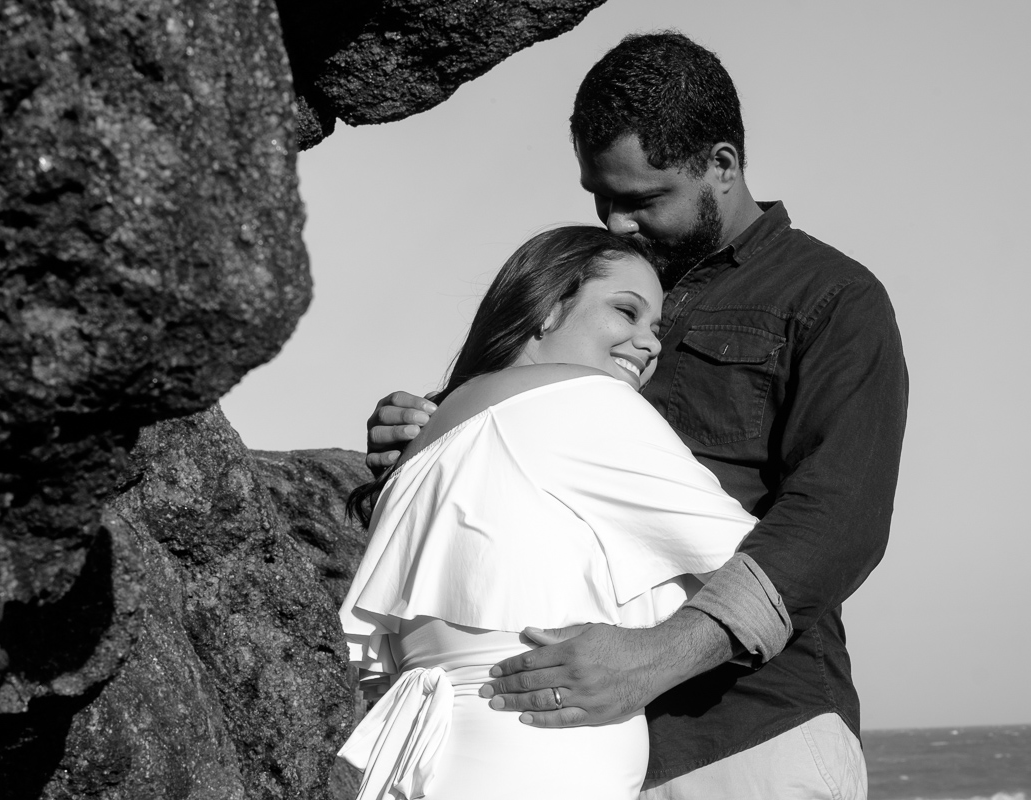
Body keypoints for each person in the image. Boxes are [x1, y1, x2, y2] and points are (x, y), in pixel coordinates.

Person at [365, 31, 908, 798]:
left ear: (721, 165)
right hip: (570, 750)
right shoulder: (598, 290)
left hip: (744, 738)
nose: (618, 222)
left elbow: (839, 522)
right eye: (601, 197)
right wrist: (427, 436)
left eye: (643, 199)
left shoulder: (831, 298)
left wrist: (655, 656)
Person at [338, 226, 758, 799]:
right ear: (548, 307)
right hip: (537, 749)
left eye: (656, 328)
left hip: (434, 753)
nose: (650, 342)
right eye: (626, 312)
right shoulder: (584, 401)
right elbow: (760, 568)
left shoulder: (431, 434)